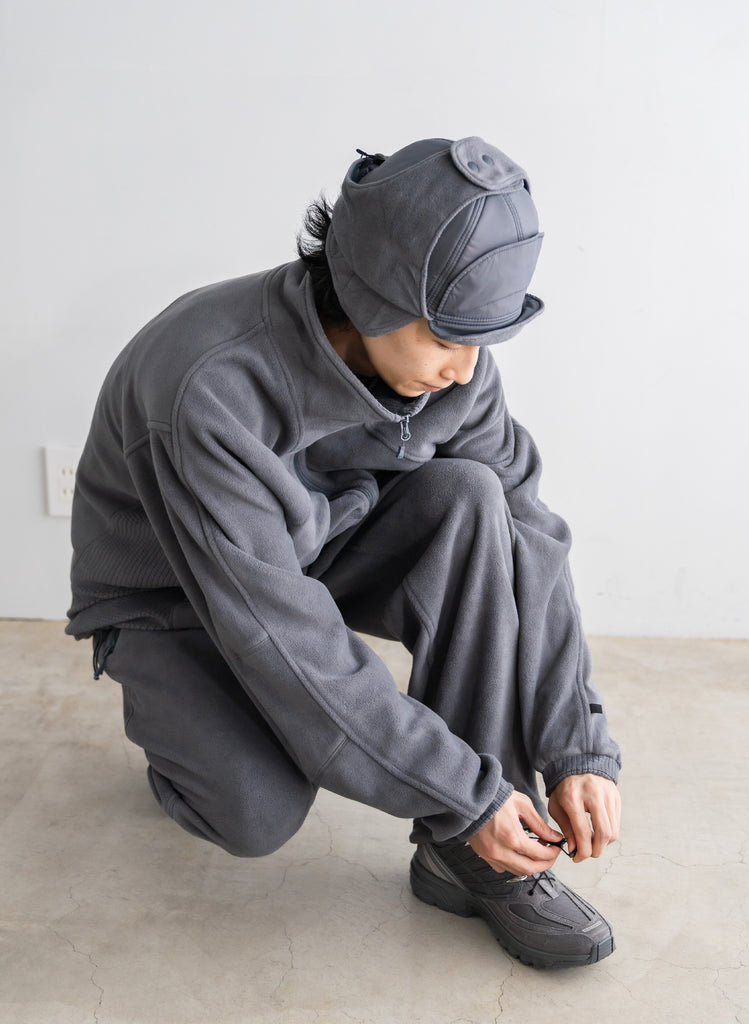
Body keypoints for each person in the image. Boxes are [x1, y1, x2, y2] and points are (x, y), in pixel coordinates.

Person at [67, 136, 622, 969]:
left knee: (472, 497)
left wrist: (574, 743)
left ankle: (465, 859)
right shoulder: (208, 385)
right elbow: (282, 632)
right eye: (447, 335)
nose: (466, 367)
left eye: (483, 337)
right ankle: (180, 732)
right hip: (174, 597)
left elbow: (529, 534)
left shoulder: (457, 371)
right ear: (369, 293)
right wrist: (464, 793)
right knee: (255, 812)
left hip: (313, 547)